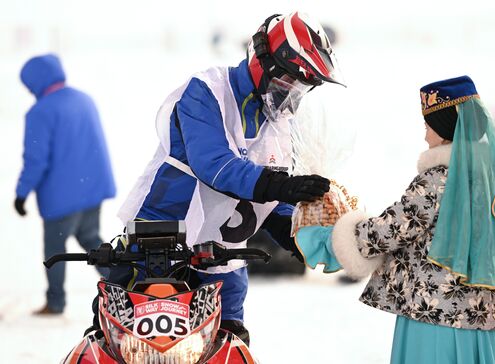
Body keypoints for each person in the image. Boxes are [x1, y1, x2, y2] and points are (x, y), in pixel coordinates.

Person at [98, 12, 344, 344]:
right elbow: (213, 164)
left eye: (301, 88)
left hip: (222, 258)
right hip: (158, 243)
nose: (291, 96)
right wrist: (282, 187)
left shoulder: (282, 121)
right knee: (130, 344)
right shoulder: (208, 91)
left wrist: (297, 236)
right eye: (288, 82)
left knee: (227, 344)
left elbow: (270, 199)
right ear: (263, 62)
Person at [296, 76, 495, 363]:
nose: (424, 134)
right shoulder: (484, 178)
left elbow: (392, 229)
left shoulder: (438, 179)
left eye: (427, 125)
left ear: (443, 129)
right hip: (477, 314)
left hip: (435, 314)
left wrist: (335, 234)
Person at [15, 54, 116, 315]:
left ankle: (55, 302)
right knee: (91, 240)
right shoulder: (83, 100)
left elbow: (35, 160)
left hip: (62, 198)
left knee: (55, 251)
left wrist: (21, 194)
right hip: (91, 191)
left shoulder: (40, 112)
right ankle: (123, 285)